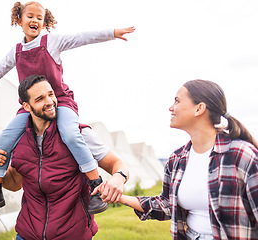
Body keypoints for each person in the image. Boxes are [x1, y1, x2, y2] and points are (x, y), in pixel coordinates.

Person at [0, 1, 135, 215]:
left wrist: (112, 33)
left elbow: (83, 37)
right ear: (19, 20)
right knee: (4, 140)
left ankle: (95, 185)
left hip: (60, 101)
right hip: (31, 107)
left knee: (71, 135)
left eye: (40, 17)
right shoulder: (16, 52)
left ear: (44, 22)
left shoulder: (52, 42)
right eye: (30, 16)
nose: (35, 20)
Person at [0, 75, 129, 239]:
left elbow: (117, 163)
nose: (50, 101)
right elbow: (16, 183)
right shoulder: (19, 141)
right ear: (27, 106)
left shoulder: (79, 135)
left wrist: (119, 178)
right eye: (40, 99)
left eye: (51, 94)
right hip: (27, 234)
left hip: (73, 235)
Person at [111, 79, 258, 239]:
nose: (170, 108)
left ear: (199, 108)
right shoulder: (177, 159)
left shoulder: (241, 155)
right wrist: (120, 197)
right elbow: (167, 205)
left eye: (177, 101)